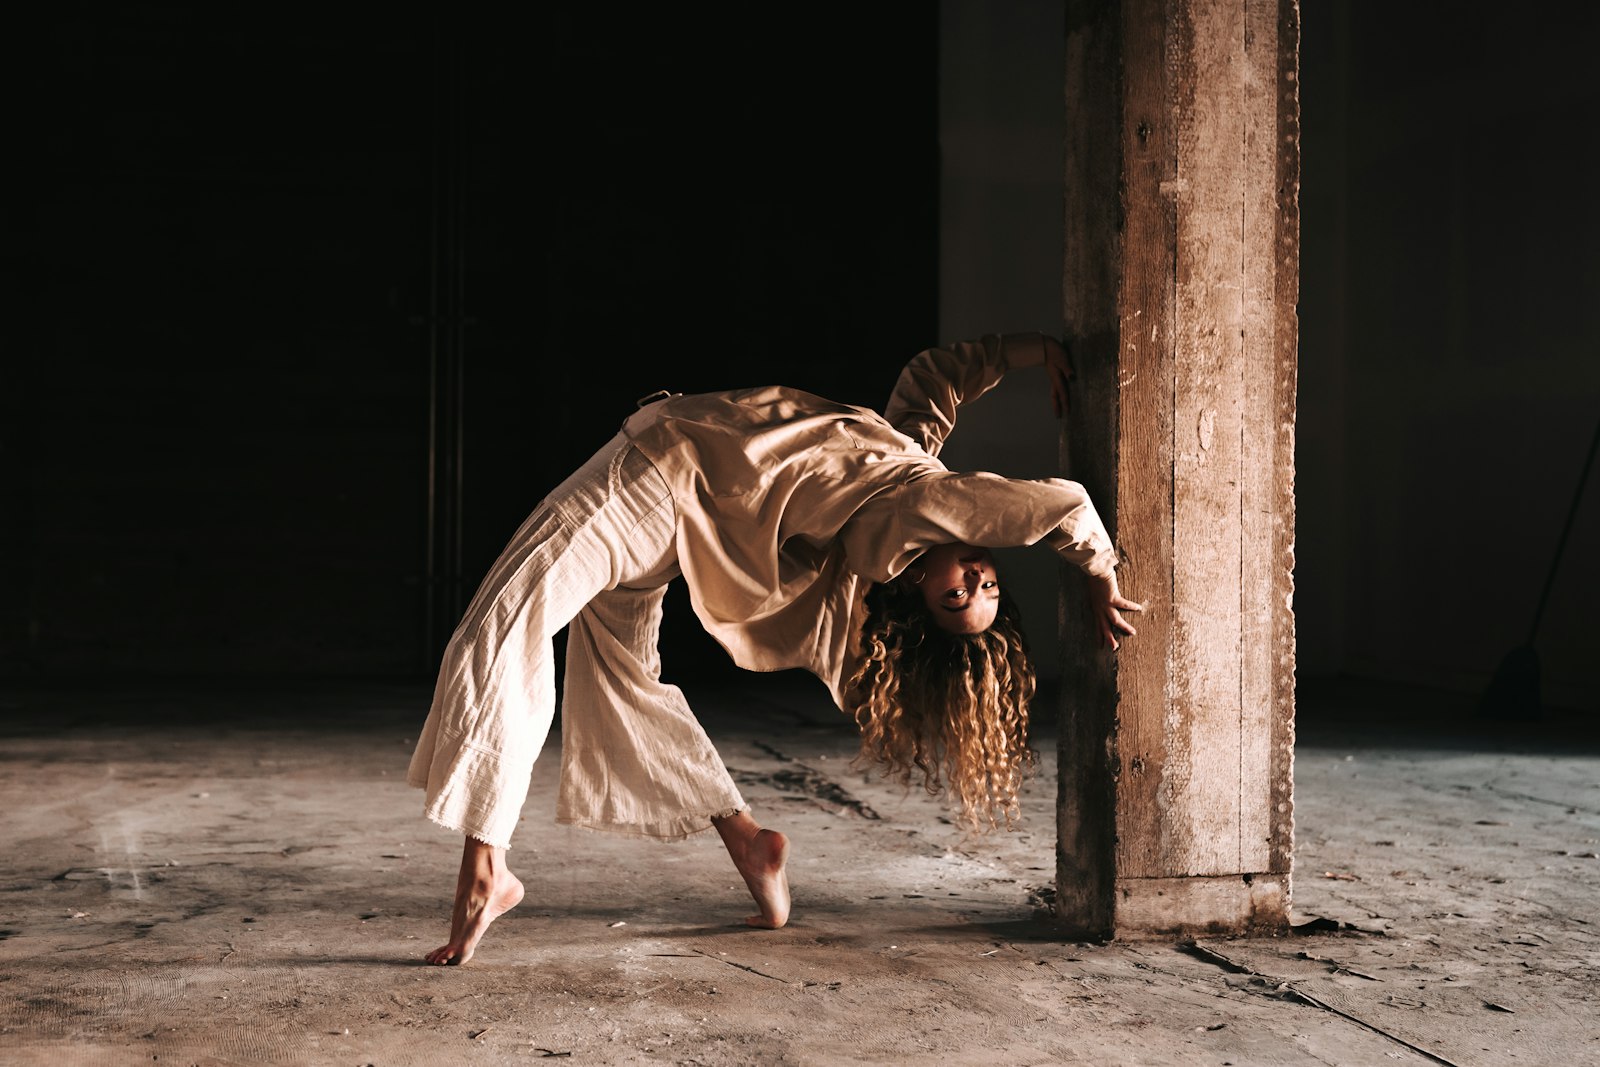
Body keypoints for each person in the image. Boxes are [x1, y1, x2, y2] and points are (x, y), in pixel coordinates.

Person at [406, 331, 1142, 965]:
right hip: (685, 508)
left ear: (921, 592)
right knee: (622, 675)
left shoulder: (916, 514)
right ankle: (749, 843)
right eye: (983, 587)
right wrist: (1027, 350)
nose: (976, 580)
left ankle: (486, 866)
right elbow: (934, 376)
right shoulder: (916, 470)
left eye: (958, 598)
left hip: (661, 479)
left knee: (505, 617)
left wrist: (1101, 572)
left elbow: (1065, 504)